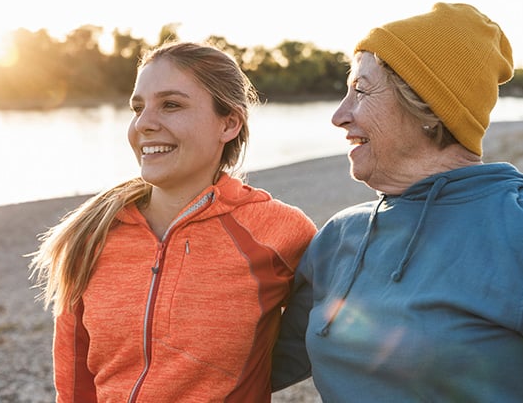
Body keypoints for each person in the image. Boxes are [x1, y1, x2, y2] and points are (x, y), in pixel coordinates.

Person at [271, 2, 523, 401]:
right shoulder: (338, 237)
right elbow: (258, 366)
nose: (339, 116)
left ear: (428, 109)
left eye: (361, 91)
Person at [28, 41, 317, 402]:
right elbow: (74, 384)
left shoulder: (279, 232)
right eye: (138, 107)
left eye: (171, 105)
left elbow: (327, 335)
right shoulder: (92, 235)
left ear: (228, 123)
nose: (144, 123)